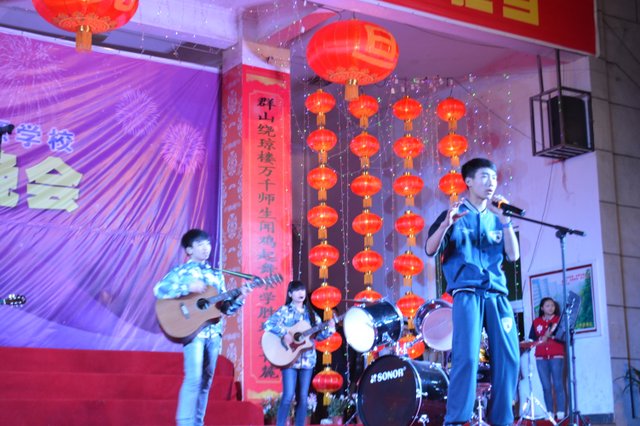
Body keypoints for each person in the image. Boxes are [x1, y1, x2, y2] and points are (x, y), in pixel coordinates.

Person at [425, 158, 520, 426]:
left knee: (509, 357)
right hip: (467, 292)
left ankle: (502, 419)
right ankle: (457, 419)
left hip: (497, 295)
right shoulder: (454, 215)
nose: (491, 183)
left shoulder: (497, 218)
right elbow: (430, 249)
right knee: (466, 356)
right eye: (484, 177)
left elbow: (513, 256)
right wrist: (446, 224)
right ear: (468, 181)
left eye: (494, 178)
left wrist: (506, 221)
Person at [154, 228, 249, 426]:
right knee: (194, 378)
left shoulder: (216, 274)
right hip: (193, 332)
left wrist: (239, 298)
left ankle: (198, 422)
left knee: (206, 381)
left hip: (214, 333)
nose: (206, 248)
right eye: (200, 244)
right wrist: (186, 287)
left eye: (208, 244)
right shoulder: (181, 272)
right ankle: (184, 423)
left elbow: (224, 308)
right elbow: (159, 289)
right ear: (189, 249)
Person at [263, 280, 335, 426]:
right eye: (296, 290)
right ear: (290, 294)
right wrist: (285, 333)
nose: (301, 293)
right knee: (288, 395)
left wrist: (331, 328)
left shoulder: (311, 314)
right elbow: (268, 324)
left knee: (303, 397)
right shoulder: (285, 311)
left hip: (308, 360)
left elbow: (319, 336)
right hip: (289, 359)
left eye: (302, 290)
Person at [529, 297, 566, 419]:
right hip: (540, 358)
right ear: (542, 308)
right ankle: (549, 412)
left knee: (558, 384)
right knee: (546, 386)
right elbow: (532, 339)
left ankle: (561, 412)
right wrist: (540, 338)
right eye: (548, 306)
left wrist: (551, 336)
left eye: (552, 305)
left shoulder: (559, 320)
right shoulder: (536, 322)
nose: (551, 308)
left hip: (556, 356)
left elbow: (564, 337)